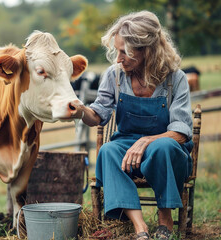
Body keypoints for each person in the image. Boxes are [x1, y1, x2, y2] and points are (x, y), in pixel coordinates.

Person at [76, 11, 193, 240]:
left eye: (124, 52)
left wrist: (147, 141)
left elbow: (180, 132)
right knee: (108, 151)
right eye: (117, 50)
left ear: (146, 50)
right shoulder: (115, 75)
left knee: (164, 148)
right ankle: (140, 228)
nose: (118, 58)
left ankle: (165, 219)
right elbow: (97, 115)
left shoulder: (174, 79)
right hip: (127, 149)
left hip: (167, 151)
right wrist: (80, 110)